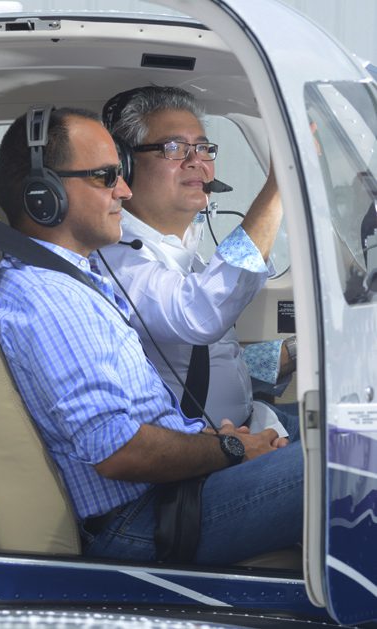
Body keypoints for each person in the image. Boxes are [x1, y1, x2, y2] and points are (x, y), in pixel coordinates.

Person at [0, 105, 302, 565]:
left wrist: (227, 439)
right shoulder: (54, 294)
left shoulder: (78, 278)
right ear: (43, 195)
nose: (124, 189)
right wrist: (230, 448)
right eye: (105, 176)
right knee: (355, 467)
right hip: (147, 516)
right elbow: (117, 448)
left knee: (349, 437)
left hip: (184, 474)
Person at [99, 86, 297, 441]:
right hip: (200, 468)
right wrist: (280, 185)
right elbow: (199, 315)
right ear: (124, 165)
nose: (196, 161)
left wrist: (295, 352)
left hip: (253, 426)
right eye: (173, 148)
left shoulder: (187, 254)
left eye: (203, 148)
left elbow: (209, 361)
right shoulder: (116, 260)